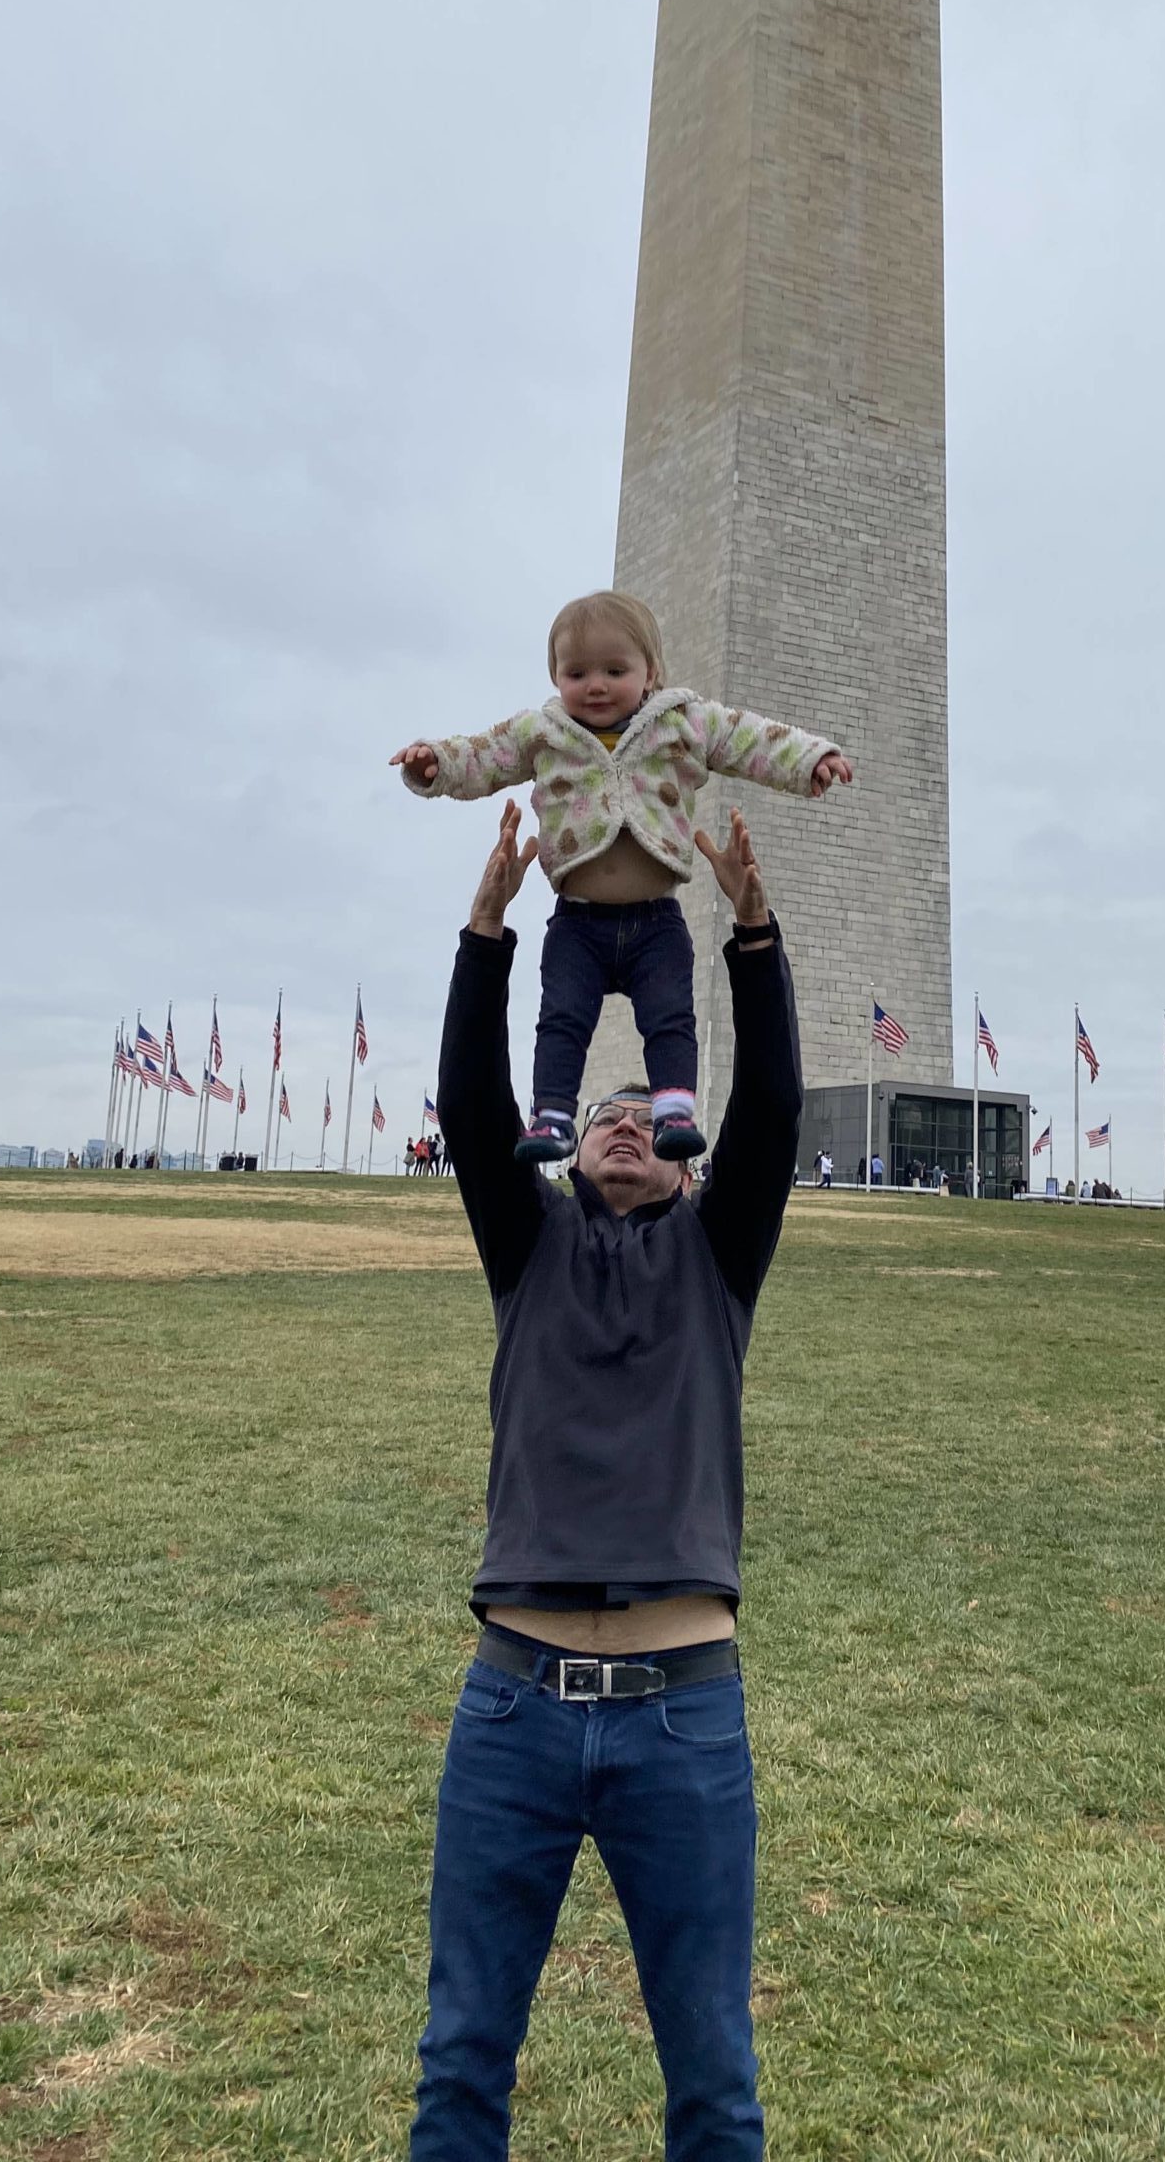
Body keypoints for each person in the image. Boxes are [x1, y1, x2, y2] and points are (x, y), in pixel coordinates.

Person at [409, 798, 800, 2158]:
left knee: (714, 2081)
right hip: (508, 1711)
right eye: (605, 1112)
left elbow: (777, 1112)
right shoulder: (527, 1250)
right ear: (569, 1146)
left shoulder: (717, 1261)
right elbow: (469, 1101)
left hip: (685, 1722)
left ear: (689, 1167)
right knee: (462, 2066)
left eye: (652, 1112)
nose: (628, 1122)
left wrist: (750, 930)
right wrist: (488, 927)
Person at [392, 590, 851, 1168]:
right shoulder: (544, 731)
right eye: (576, 672)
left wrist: (811, 759)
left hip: (655, 918)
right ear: (555, 676)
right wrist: (434, 761)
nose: (596, 686)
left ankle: (674, 1110)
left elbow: (750, 739)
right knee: (560, 1020)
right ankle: (553, 1116)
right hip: (576, 922)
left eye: (615, 670)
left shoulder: (682, 722)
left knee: (670, 1017)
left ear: (651, 672)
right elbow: (485, 754)